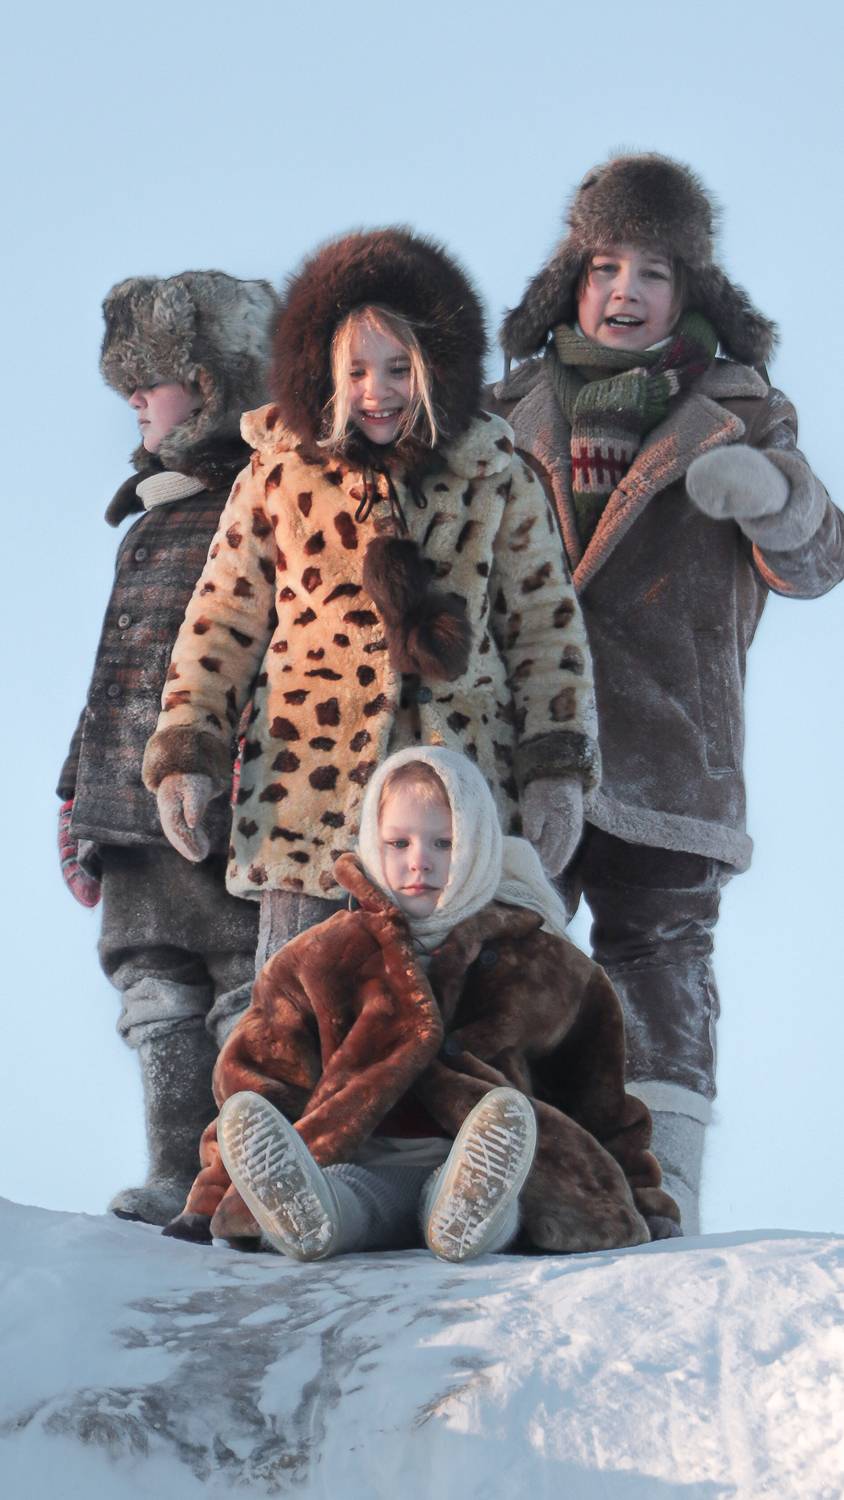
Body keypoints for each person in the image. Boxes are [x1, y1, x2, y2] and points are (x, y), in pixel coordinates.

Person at [492, 153, 844, 1231]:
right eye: (606, 266)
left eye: (653, 270)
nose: (626, 290)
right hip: (524, 739)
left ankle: (662, 1184)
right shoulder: (503, 410)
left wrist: (773, 496)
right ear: (572, 278)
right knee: (501, 957)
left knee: (660, 963)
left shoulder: (741, 409)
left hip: (673, 739)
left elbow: (817, 563)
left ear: (690, 288)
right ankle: (504, 1175)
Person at [141, 228, 600, 984]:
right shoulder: (277, 475)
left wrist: (557, 766)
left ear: (436, 368)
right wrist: (188, 749)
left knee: (472, 1012)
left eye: (399, 368)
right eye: (355, 370)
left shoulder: (496, 476)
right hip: (307, 801)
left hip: (458, 806)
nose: (376, 391)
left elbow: (546, 633)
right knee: (300, 1009)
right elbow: (220, 620)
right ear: (319, 369)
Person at [163, 746, 679, 1259]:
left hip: (490, 1160)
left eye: (444, 843)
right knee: (347, 1196)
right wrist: (209, 1198)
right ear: (373, 842)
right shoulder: (322, 958)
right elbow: (258, 1076)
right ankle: (303, 1214)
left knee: (506, 1197)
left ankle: (471, 1212)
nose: (419, 861)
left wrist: (645, 1200)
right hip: (361, 1160)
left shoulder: (549, 966)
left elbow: (601, 1101)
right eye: (399, 843)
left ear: (479, 845)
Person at [57, 270, 279, 1224]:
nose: (136, 403)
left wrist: (238, 770)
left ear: (213, 383)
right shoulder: (149, 517)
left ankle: (239, 1175)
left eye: (151, 381)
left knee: (241, 981)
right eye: (127, 387)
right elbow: (111, 673)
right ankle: (172, 1169)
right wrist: (75, 795)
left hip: (219, 802)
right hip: (126, 805)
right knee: (150, 983)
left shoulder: (259, 505)